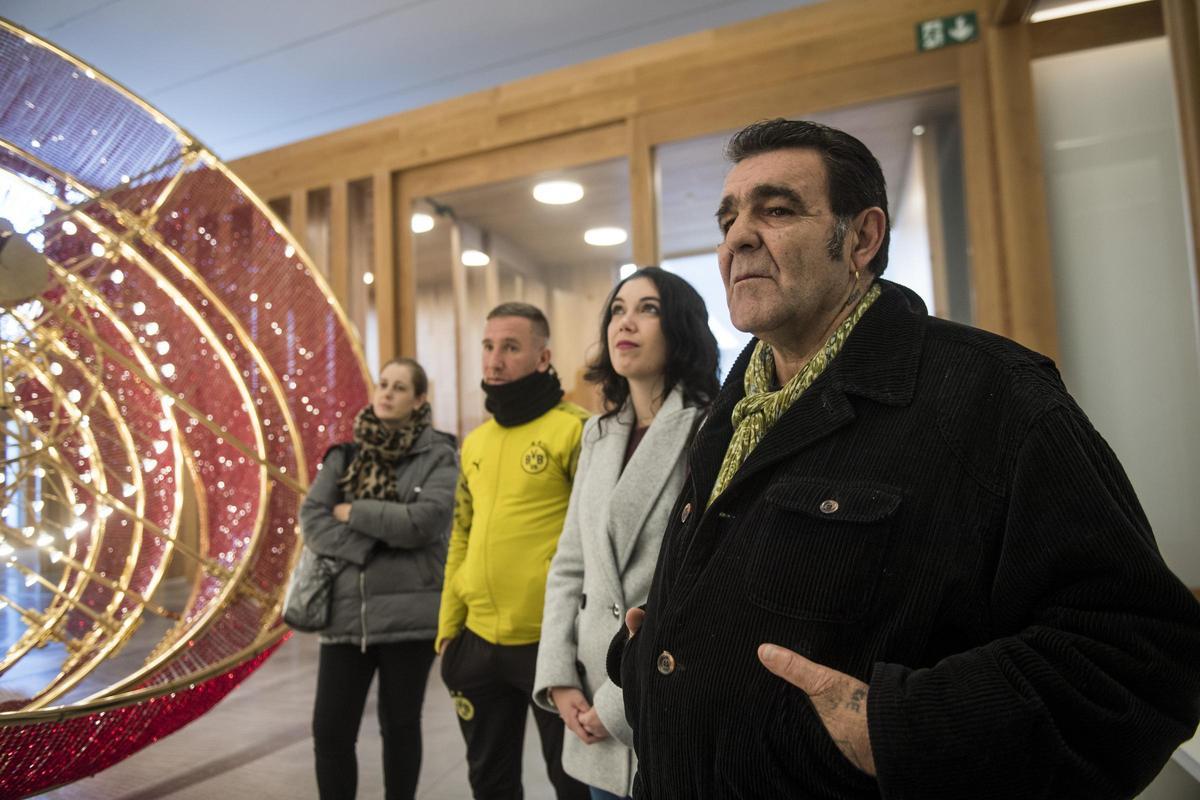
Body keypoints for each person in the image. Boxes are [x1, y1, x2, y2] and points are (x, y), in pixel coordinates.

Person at [610, 119, 1200, 799]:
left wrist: (897, 726)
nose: (738, 237)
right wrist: (662, 643)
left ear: (861, 238)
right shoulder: (731, 409)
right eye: (729, 217)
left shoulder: (991, 396)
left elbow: (1139, 658)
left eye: (775, 210)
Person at [533, 267, 720, 800]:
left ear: (680, 327)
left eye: (648, 309)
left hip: (656, 696)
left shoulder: (710, 430)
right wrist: (559, 677)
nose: (626, 322)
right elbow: (572, 563)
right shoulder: (598, 433)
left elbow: (699, 585)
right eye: (617, 309)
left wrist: (616, 705)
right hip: (588, 696)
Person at [436, 302, 590, 800]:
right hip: (477, 641)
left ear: (543, 357)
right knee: (490, 782)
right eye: (487, 346)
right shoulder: (475, 442)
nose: (494, 361)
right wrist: (448, 630)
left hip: (551, 646)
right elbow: (462, 532)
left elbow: (593, 541)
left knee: (571, 781)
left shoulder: (578, 430)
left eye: (510, 347)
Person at [299, 357, 457, 800]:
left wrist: (356, 513)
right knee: (330, 732)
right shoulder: (345, 455)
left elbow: (425, 523)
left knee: (401, 727)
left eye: (400, 388)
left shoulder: (438, 454)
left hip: (411, 616)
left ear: (419, 399)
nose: (387, 393)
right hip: (347, 616)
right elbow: (312, 519)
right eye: (383, 384)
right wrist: (373, 543)